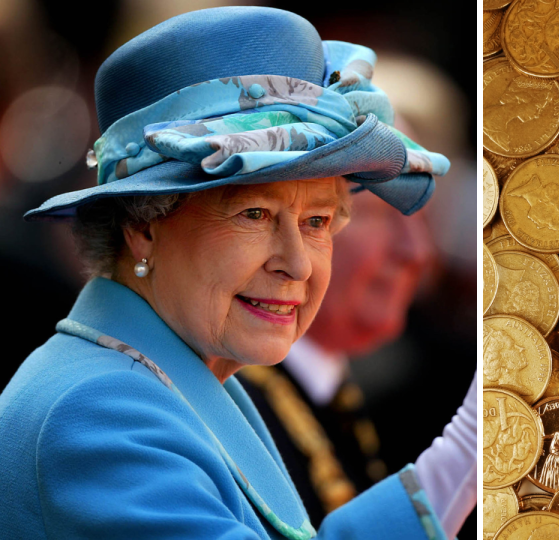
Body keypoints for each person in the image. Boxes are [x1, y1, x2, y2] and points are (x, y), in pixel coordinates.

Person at [0, 7, 475, 540]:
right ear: (142, 226)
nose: (297, 263)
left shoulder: (183, 369)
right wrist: (463, 453)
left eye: (317, 221)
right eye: (255, 215)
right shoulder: (99, 411)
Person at [236, 187, 437, 522]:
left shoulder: (343, 392)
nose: (416, 250)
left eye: (424, 217)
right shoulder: (232, 404)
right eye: (378, 214)